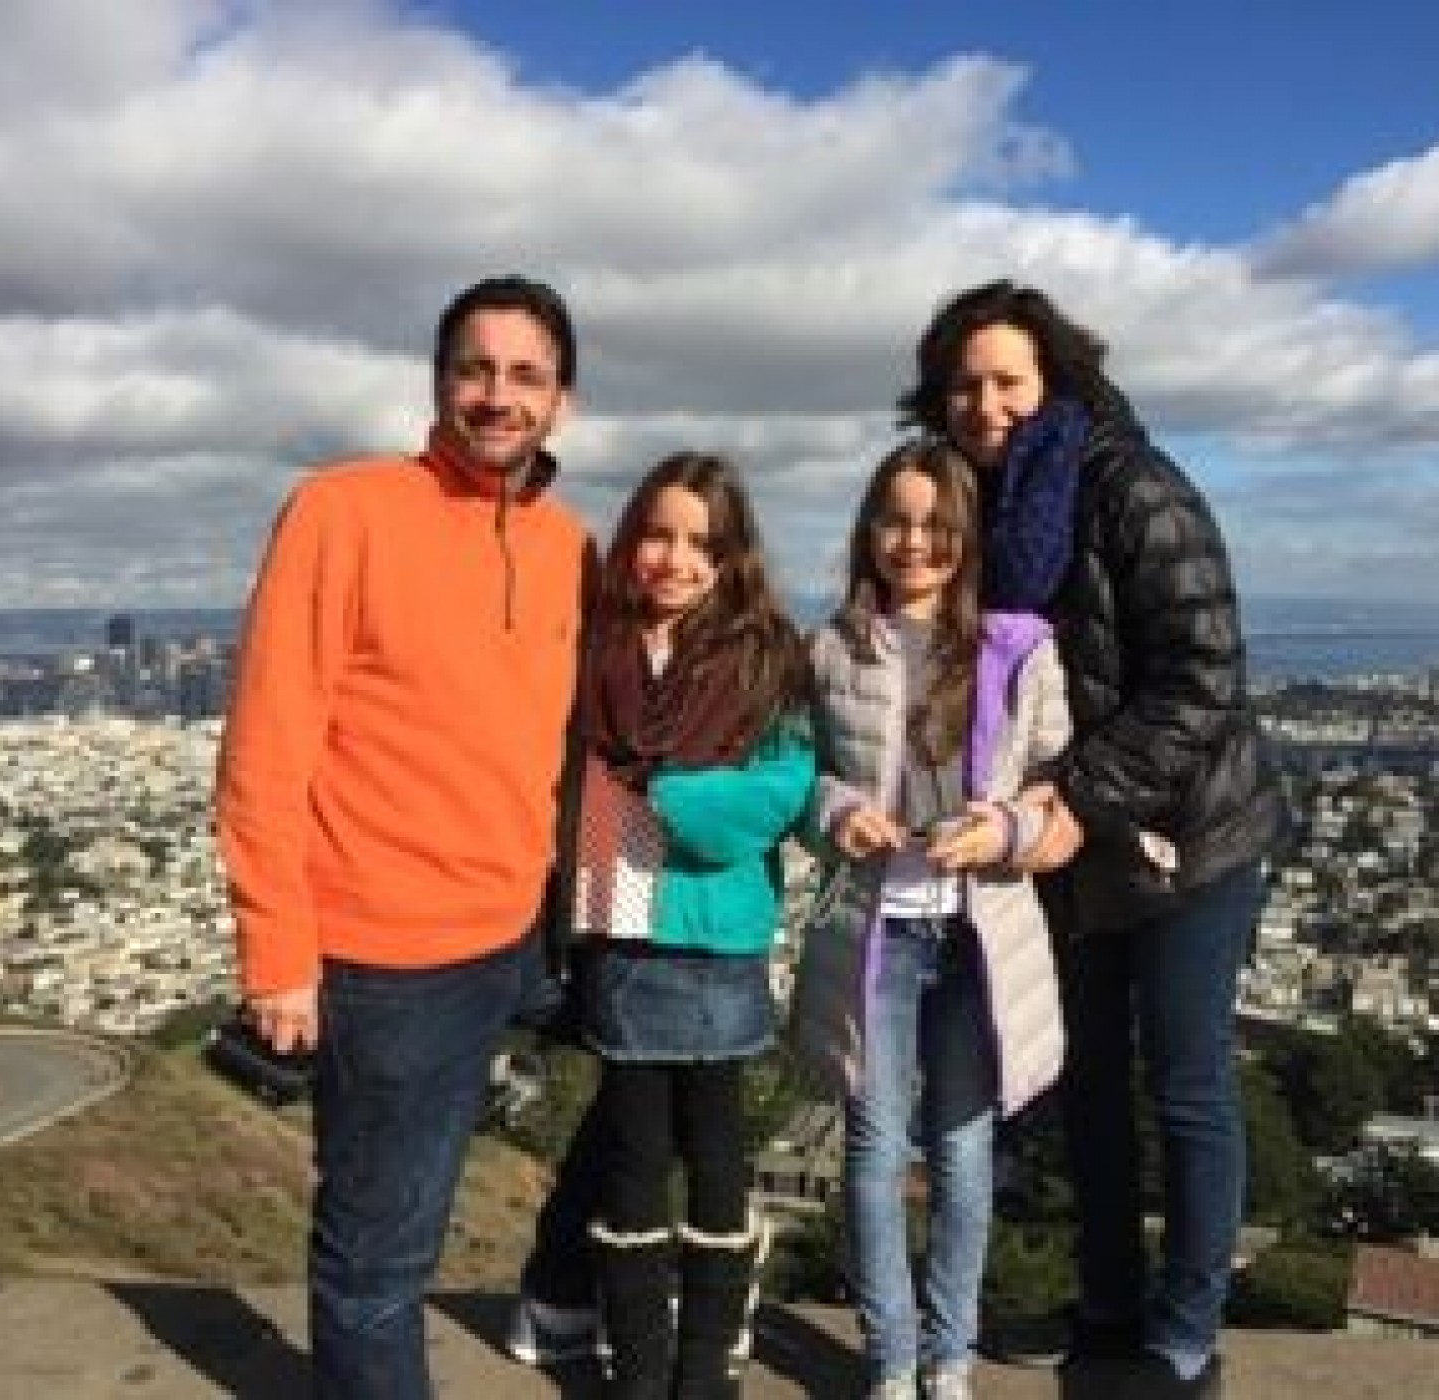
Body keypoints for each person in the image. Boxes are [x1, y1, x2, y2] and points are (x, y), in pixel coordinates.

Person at [900, 280, 1286, 1399]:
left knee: (1185, 1079)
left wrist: (1076, 796)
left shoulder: (1132, 485)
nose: (985, 403)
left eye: (1006, 379)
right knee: (1087, 1085)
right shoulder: (972, 509)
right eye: (963, 384)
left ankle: (1184, 1328)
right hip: (1065, 845)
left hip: (1182, 834)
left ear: (1054, 378)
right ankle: (1110, 1303)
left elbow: (1203, 676)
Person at [214, 274, 589, 1399]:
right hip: (387, 956)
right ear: (438, 381)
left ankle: (562, 1290)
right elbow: (265, 744)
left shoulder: (572, 544)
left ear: (561, 400)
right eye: (475, 367)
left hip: (520, 934)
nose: (497, 394)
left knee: (671, 1081)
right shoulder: (344, 507)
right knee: (379, 1256)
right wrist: (277, 954)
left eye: (525, 374)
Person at [792, 437, 1071, 1400]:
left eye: (934, 523)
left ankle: (949, 1358)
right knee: (873, 1151)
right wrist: (835, 812)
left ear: (963, 533)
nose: (913, 542)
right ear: (866, 532)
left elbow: (1053, 782)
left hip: (978, 933)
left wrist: (998, 826)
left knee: (960, 1151)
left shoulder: (1015, 646)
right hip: (876, 930)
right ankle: (892, 1357)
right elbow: (805, 780)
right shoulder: (829, 648)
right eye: (894, 520)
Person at [571, 452, 814, 1399]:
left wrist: (666, 789)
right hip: (619, 925)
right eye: (657, 535)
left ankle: (703, 1361)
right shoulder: (595, 648)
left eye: (698, 543)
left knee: (716, 1154)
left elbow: (779, 799)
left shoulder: (763, 659)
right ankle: (636, 1359)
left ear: (731, 559)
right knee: (633, 1156)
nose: (673, 559)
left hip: (715, 935)